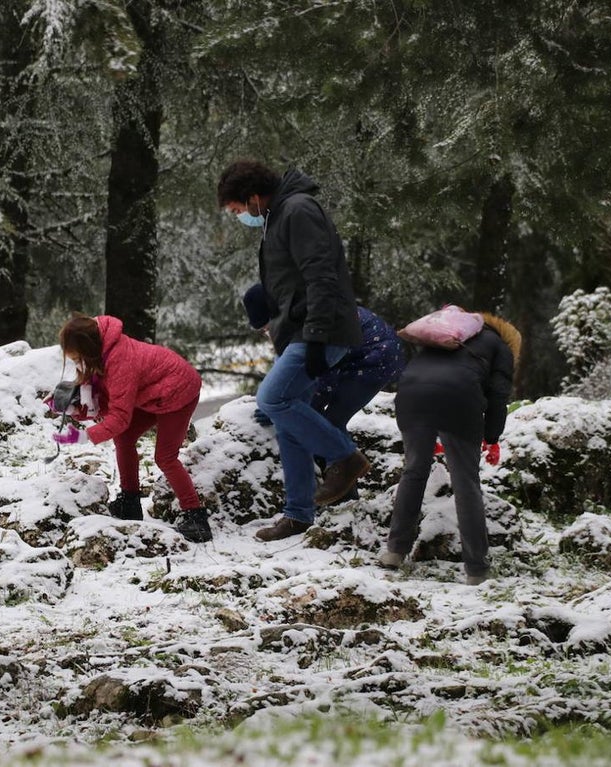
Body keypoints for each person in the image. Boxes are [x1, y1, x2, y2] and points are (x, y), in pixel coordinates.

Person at [217, 159, 368, 541]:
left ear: (252, 197)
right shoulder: (278, 215)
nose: (238, 217)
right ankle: (298, 514)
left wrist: (316, 336)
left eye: (236, 210)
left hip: (321, 330)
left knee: (271, 398)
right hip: (305, 331)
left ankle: (344, 457)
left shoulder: (298, 210)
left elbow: (321, 275)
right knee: (288, 426)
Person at [379, 311, 520, 584]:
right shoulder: (501, 347)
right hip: (459, 399)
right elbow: (498, 395)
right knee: (466, 482)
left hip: (411, 394)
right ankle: (477, 569)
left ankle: (394, 551)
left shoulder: (448, 335)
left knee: (414, 472)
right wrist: (492, 436)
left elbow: (433, 375)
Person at [50, 313, 212, 543]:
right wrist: (76, 408)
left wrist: (84, 436)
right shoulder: (102, 354)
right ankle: (130, 501)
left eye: (77, 358)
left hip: (179, 391)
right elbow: (109, 402)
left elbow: (119, 418)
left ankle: (196, 517)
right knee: (124, 439)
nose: (77, 364)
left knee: (165, 457)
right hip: (152, 393)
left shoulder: (119, 361)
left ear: (88, 349)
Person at [243, 282, 406, 502]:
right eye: (263, 331)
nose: (267, 333)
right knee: (316, 421)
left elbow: (320, 380)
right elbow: (287, 374)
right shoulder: (297, 321)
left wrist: (289, 410)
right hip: (353, 358)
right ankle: (340, 488)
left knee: (330, 422)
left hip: (375, 359)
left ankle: (345, 494)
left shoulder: (314, 328)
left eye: (267, 327)